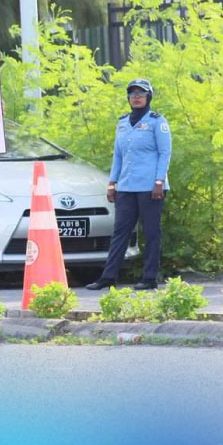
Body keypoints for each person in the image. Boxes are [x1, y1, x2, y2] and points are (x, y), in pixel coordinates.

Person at [86, 78, 172, 291]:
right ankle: (108, 277)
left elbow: (165, 153)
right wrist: (112, 183)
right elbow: (118, 155)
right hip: (126, 186)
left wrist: (159, 181)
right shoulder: (123, 122)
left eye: (141, 94)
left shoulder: (157, 121)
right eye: (133, 94)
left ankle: (149, 278)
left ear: (148, 97)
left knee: (151, 232)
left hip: (150, 187)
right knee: (120, 232)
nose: (136, 97)